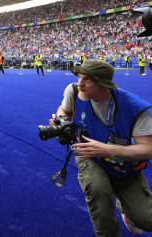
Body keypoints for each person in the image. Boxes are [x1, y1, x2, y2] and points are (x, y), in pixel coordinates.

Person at [52, 60, 152, 236]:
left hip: (123, 165)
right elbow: (64, 110)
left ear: (103, 83)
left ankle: (126, 208)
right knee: (98, 191)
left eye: (87, 79)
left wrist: (107, 149)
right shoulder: (74, 91)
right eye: (79, 76)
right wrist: (61, 121)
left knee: (146, 219)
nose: (79, 83)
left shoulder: (134, 108)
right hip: (88, 156)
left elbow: (149, 149)